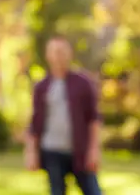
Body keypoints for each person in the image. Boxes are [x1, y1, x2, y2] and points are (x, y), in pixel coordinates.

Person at [25, 35, 103, 195]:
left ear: (69, 54)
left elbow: (94, 119)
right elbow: (35, 122)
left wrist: (94, 150)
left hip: (79, 151)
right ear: (48, 55)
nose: (58, 56)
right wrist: (31, 152)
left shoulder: (83, 83)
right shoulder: (42, 87)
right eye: (55, 52)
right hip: (52, 151)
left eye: (62, 51)